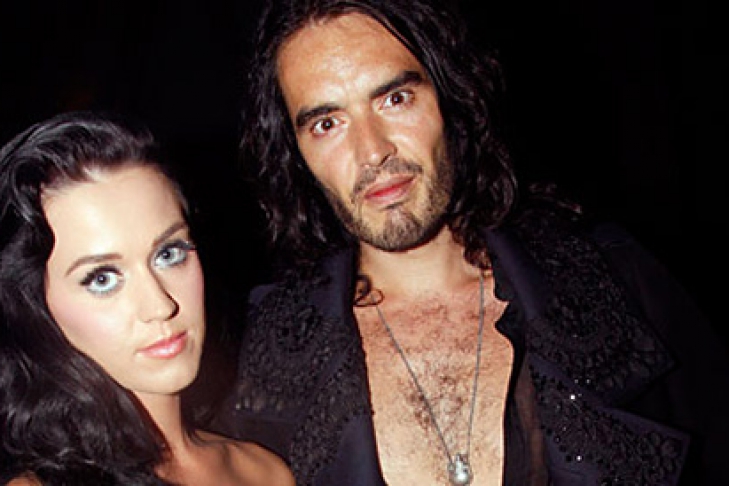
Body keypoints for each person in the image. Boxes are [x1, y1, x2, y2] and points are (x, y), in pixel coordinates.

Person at [212, 0, 729, 484]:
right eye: (327, 123)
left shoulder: (615, 282)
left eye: (395, 99)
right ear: (295, 153)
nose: (372, 151)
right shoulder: (258, 362)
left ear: (449, 96)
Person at [0, 111, 295, 486]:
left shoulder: (264, 471)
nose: (161, 306)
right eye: (102, 279)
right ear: (35, 308)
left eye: (169, 254)